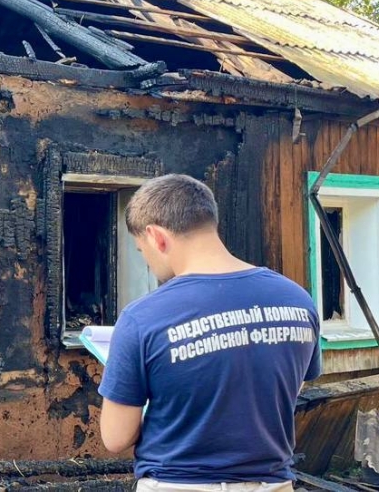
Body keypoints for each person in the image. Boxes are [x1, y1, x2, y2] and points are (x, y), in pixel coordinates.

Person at [98, 174, 321, 491]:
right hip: (272, 484)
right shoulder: (297, 299)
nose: (146, 262)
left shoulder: (142, 318)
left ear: (157, 237)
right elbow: (287, 389)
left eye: (140, 250)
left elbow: (116, 437)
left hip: (178, 485)